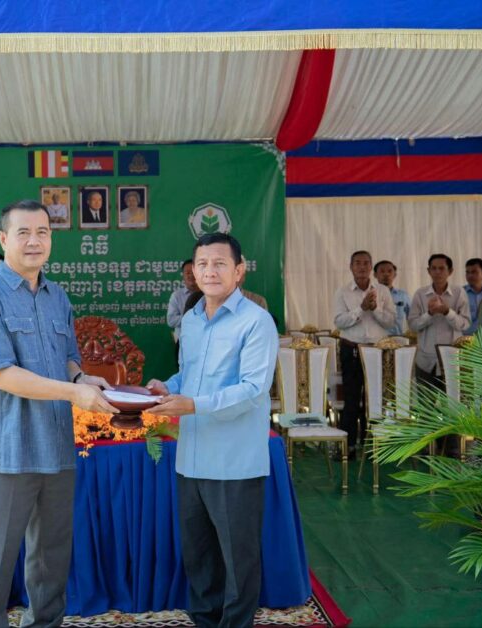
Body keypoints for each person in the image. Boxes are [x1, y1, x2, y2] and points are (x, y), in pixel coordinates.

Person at [0, 199, 117, 628]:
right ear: (3, 239)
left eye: (43, 232)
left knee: (51, 559)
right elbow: (1, 374)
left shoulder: (57, 295)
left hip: (56, 445)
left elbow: (67, 358)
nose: (35, 241)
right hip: (9, 449)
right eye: (24, 233)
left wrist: (82, 377)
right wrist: (73, 392)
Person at [148, 232, 278, 628]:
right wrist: (167, 387)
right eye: (202, 264)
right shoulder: (190, 320)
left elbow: (253, 390)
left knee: (238, 560)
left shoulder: (256, 321)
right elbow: (189, 375)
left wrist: (192, 405)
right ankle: (205, 620)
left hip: (234, 461)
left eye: (220, 263)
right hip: (191, 458)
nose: (209, 271)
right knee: (198, 555)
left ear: (239, 271)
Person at [333, 250, 396, 455]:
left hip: (377, 352)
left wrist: (375, 309)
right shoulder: (342, 292)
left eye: (366, 263)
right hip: (351, 350)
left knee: (375, 397)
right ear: (351, 267)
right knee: (351, 398)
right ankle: (349, 445)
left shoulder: (382, 291)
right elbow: (339, 322)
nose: (362, 267)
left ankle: (373, 445)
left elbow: (390, 321)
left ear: (371, 267)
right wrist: (361, 309)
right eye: (358, 263)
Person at [407, 254, 471, 389]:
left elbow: (465, 324)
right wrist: (430, 314)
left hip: (453, 360)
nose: (437, 272)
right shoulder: (420, 294)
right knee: (426, 401)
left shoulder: (459, 292)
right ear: (428, 271)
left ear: (450, 271)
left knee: (452, 400)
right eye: (434, 268)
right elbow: (412, 325)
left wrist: (447, 312)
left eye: (441, 268)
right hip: (426, 361)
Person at [373, 260, 409, 335]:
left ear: (395, 274)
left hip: (398, 339)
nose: (386, 274)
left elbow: (413, 317)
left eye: (390, 271)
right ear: (375, 275)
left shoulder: (403, 295)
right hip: (375, 339)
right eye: (382, 271)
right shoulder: (370, 295)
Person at [167, 259, 198, 343]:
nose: (191, 275)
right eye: (188, 273)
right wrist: (193, 318)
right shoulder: (176, 296)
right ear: (183, 276)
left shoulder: (208, 294)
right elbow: (171, 320)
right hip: (182, 342)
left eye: (194, 272)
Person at [463, 258, 482, 335]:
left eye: (474, 272)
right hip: (463, 339)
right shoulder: (460, 294)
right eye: (467, 272)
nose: (470, 275)